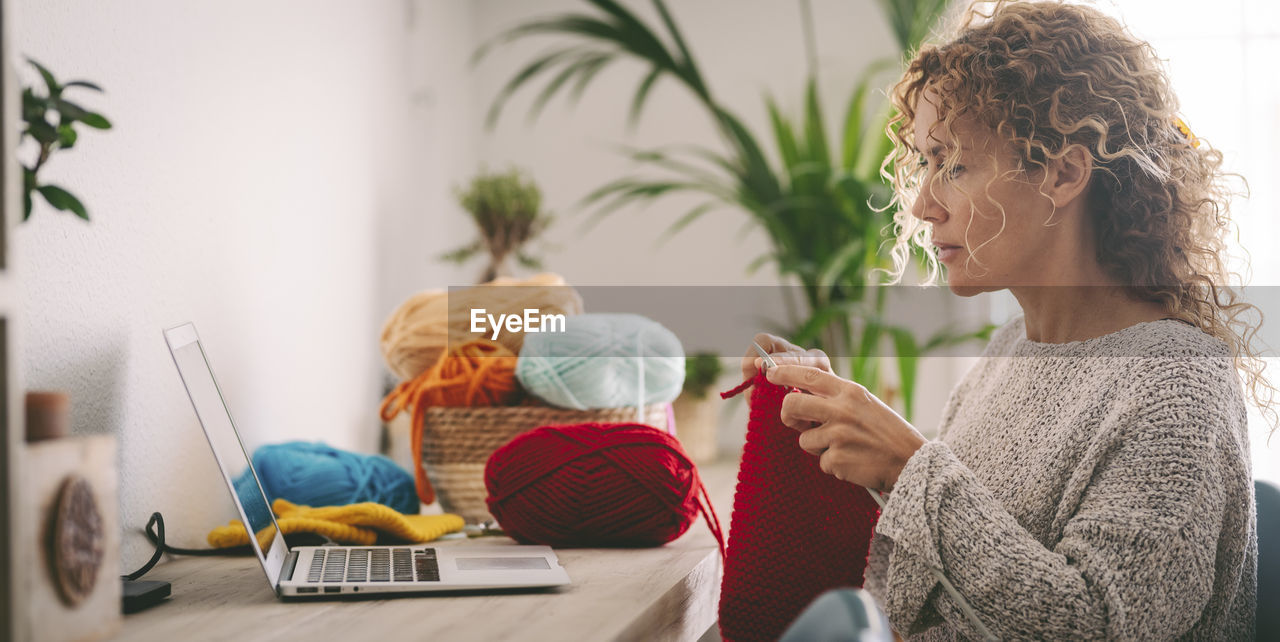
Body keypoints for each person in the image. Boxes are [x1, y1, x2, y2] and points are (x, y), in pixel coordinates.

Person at [742, 1, 1263, 639]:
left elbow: (1098, 626)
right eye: (926, 164)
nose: (925, 204)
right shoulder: (1012, 347)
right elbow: (948, 575)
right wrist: (833, 421)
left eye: (954, 165)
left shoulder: (1176, 384)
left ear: (1064, 173)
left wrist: (908, 467)